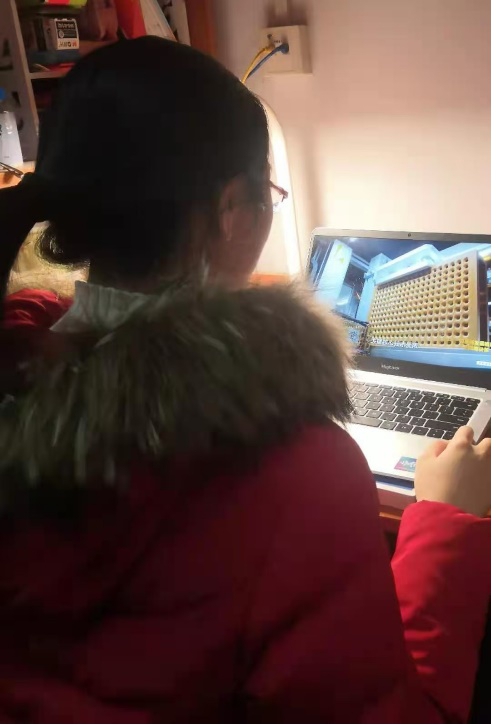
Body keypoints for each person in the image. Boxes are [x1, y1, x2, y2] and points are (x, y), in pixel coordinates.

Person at [0, 37, 490, 723]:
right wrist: (449, 519)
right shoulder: (297, 476)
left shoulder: (20, 357)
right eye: (269, 192)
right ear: (232, 210)